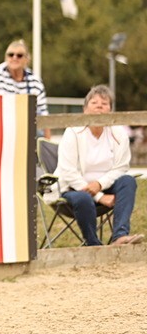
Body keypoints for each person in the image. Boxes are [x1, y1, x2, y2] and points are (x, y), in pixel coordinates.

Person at [56, 85, 143, 246]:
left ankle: (120, 236)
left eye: (104, 103)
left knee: (128, 181)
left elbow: (121, 167)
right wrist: (99, 196)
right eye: (94, 103)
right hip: (74, 189)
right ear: (85, 109)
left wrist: (100, 185)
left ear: (110, 110)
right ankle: (93, 244)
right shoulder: (72, 132)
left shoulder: (119, 133)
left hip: (107, 186)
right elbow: (68, 172)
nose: (99, 107)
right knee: (83, 198)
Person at [0, 39, 48, 119]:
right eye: (11, 55)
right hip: (2, 120)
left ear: (27, 59)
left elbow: (42, 112)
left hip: (29, 122)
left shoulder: (35, 81)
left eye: (19, 55)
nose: (14, 58)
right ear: (6, 57)